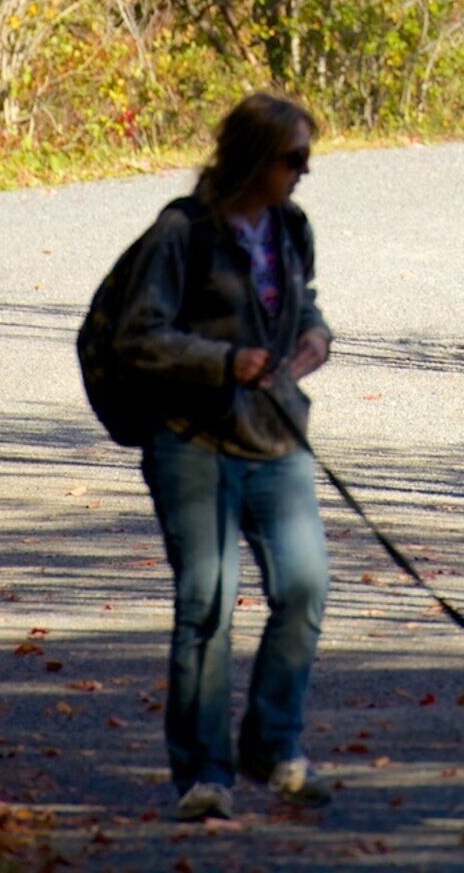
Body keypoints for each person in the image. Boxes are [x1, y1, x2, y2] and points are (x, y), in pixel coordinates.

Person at [104, 91, 338, 821]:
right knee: (205, 605)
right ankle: (205, 775)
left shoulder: (290, 227)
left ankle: (272, 745)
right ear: (252, 159)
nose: (303, 173)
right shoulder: (181, 232)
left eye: (306, 158)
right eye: (293, 159)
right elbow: (137, 338)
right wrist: (222, 361)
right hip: (193, 441)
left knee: (304, 588)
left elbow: (305, 305)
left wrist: (316, 340)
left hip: (275, 438)